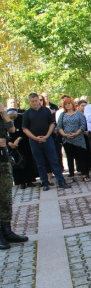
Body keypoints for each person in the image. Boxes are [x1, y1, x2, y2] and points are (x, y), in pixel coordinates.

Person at [22, 94, 71, 191]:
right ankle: (44, 182)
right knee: (40, 163)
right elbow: (25, 129)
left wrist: (46, 136)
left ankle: (61, 181)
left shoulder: (45, 110)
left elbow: (52, 124)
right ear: (29, 102)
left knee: (54, 161)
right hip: (34, 141)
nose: (35, 103)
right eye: (32, 101)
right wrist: (35, 138)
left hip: (47, 139)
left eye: (36, 100)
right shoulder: (27, 113)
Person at [0, 102, 29, 249]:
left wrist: (3, 113)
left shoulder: (1, 114)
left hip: (3, 159)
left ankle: (7, 230)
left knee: (5, 197)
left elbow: (11, 129)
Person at [56, 98, 90, 183]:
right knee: (70, 158)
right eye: (66, 104)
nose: (68, 105)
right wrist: (64, 134)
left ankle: (84, 174)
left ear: (72, 104)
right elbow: (59, 127)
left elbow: (83, 125)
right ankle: (71, 175)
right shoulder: (62, 114)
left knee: (81, 157)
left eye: (69, 103)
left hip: (78, 138)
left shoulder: (78, 113)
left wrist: (76, 133)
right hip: (67, 140)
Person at [6, 100, 37, 189]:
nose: (13, 104)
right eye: (11, 103)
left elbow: (26, 128)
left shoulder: (23, 114)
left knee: (27, 160)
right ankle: (21, 182)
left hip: (23, 141)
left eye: (14, 102)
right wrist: (10, 142)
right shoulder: (4, 117)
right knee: (17, 162)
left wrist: (18, 140)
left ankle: (30, 180)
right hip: (11, 144)